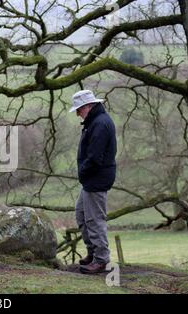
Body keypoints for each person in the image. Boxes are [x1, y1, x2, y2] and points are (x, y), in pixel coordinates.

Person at [69, 90, 117, 274]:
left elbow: (95, 157)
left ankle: (101, 259)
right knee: (81, 215)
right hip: (91, 179)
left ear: (87, 106)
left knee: (94, 219)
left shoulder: (100, 124)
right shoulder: (95, 122)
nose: (77, 113)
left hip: (96, 179)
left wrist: (82, 171)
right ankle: (93, 252)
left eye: (79, 109)